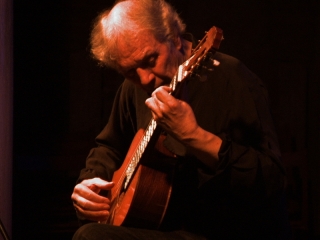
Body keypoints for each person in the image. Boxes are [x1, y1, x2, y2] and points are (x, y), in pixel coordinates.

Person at [71, 0, 291, 239]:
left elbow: (272, 181)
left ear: (174, 37)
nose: (144, 79)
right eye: (130, 71)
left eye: (150, 60)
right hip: (161, 227)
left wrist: (194, 136)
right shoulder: (132, 88)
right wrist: (91, 183)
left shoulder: (232, 79)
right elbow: (109, 146)